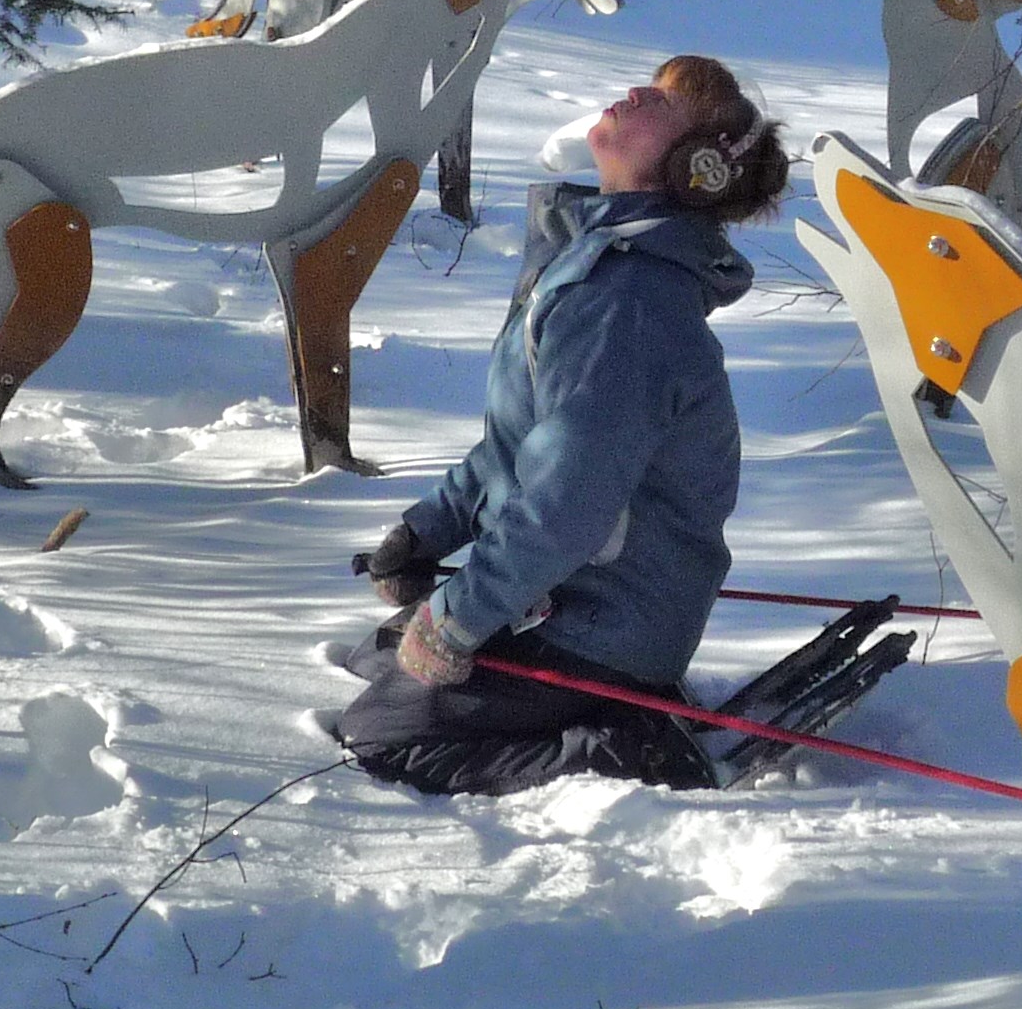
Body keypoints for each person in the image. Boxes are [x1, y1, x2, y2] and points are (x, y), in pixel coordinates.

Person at [330, 55, 790, 795]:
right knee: (379, 655)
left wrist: (458, 619)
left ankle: (626, 749)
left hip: (601, 625)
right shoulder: (597, 264)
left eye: (665, 103)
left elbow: (568, 499)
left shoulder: (628, 300)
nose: (636, 93)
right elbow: (520, 445)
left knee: (382, 737)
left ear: (697, 166)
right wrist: (426, 533)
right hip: (578, 592)